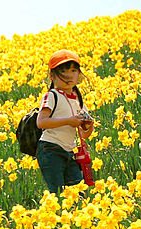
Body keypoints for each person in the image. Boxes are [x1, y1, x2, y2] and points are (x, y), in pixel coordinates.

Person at [35, 50, 96, 194]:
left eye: (73, 70)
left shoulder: (78, 100)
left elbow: (83, 134)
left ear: (79, 74)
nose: (69, 75)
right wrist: (68, 121)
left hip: (69, 151)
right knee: (57, 194)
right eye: (63, 71)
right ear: (52, 76)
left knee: (78, 192)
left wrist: (89, 126)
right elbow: (41, 122)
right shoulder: (51, 96)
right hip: (50, 150)